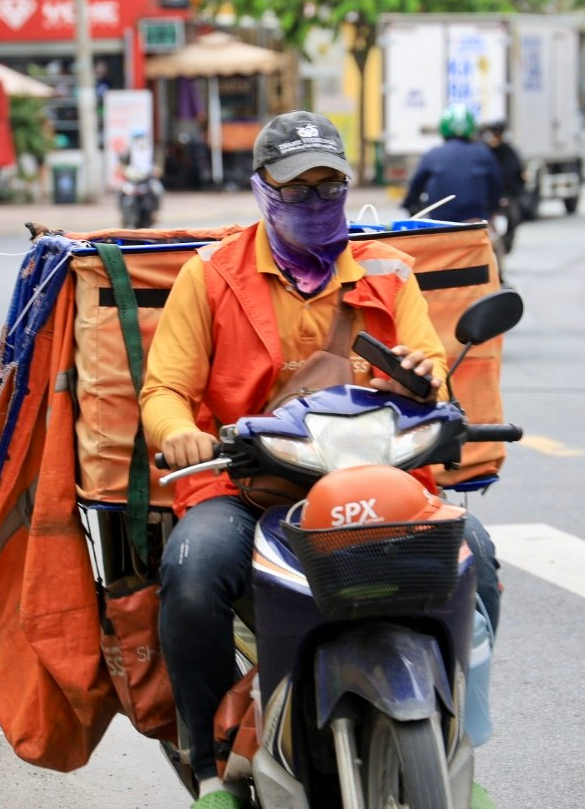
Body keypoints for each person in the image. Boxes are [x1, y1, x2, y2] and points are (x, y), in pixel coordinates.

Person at [141, 111, 501, 809]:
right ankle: (212, 763)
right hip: (249, 486)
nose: (314, 201)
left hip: (375, 481)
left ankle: (464, 743)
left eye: (327, 185)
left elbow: (431, 366)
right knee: (191, 573)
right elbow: (165, 390)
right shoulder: (210, 276)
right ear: (262, 191)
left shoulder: (390, 278)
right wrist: (179, 431)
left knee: (476, 556)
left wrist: (427, 379)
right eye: (295, 188)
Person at [402, 106, 503, 224]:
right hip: (475, 224)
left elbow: (415, 187)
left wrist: (410, 205)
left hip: (441, 225)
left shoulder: (432, 154)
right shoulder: (484, 153)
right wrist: (493, 210)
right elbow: (496, 186)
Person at [481, 120, 526, 251]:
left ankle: (506, 247)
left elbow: (518, 173)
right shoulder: (485, 152)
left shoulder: (509, 151)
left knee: (512, 219)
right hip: (490, 197)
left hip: (508, 194)